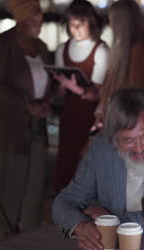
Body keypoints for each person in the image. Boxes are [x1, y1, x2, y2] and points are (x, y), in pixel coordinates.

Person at [52, 89, 144, 250]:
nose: (139, 148)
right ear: (114, 139)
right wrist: (80, 226)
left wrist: (110, 222)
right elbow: (65, 201)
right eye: (128, 139)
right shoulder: (101, 146)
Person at [0, 0, 51, 234]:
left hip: (36, 127)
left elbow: (46, 82)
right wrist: (28, 105)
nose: (40, 24)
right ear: (21, 20)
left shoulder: (43, 47)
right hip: (7, 128)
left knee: (34, 185)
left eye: (40, 18)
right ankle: (9, 235)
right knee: (10, 184)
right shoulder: (1, 44)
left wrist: (46, 102)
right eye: (34, 19)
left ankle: (26, 230)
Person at [52, 0, 109, 193]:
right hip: (69, 116)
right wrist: (59, 87)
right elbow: (61, 92)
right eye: (71, 23)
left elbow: (98, 93)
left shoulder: (101, 50)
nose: (75, 28)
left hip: (91, 118)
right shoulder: (62, 49)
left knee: (86, 164)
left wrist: (71, 87)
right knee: (66, 160)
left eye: (80, 23)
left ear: (91, 23)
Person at [92, 0, 144, 131]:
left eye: (112, 20)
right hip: (114, 123)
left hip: (123, 125)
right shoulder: (120, 51)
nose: (110, 25)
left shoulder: (138, 51)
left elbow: (134, 93)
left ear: (121, 23)